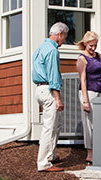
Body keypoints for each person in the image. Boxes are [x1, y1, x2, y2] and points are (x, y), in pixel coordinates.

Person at [32, 22, 69, 172]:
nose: (64, 41)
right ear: (59, 34)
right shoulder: (52, 51)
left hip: (39, 89)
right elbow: (53, 77)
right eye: (64, 37)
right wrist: (58, 98)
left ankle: (51, 154)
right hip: (48, 90)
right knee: (49, 127)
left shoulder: (40, 48)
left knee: (56, 124)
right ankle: (44, 163)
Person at [76, 31, 101, 163]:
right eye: (91, 46)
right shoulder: (82, 59)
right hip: (88, 92)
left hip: (99, 91)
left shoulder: (98, 56)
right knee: (89, 123)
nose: (93, 48)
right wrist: (85, 101)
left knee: (99, 122)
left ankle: (99, 149)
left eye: (95, 45)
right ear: (85, 44)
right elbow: (83, 80)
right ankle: (90, 153)